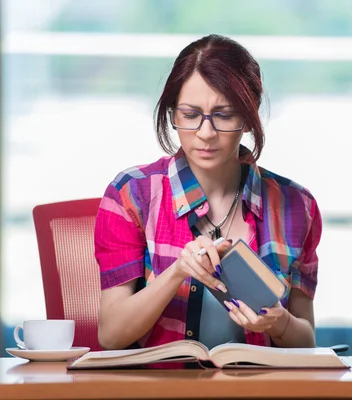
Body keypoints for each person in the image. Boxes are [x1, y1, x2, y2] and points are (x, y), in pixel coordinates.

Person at [94, 34, 322, 351]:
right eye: (190, 115)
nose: (205, 133)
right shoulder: (131, 194)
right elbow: (111, 335)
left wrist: (279, 322)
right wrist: (177, 272)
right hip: (159, 387)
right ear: (173, 115)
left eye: (224, 115)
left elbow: (306, 341)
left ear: (248, 115)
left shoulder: (297, 206)